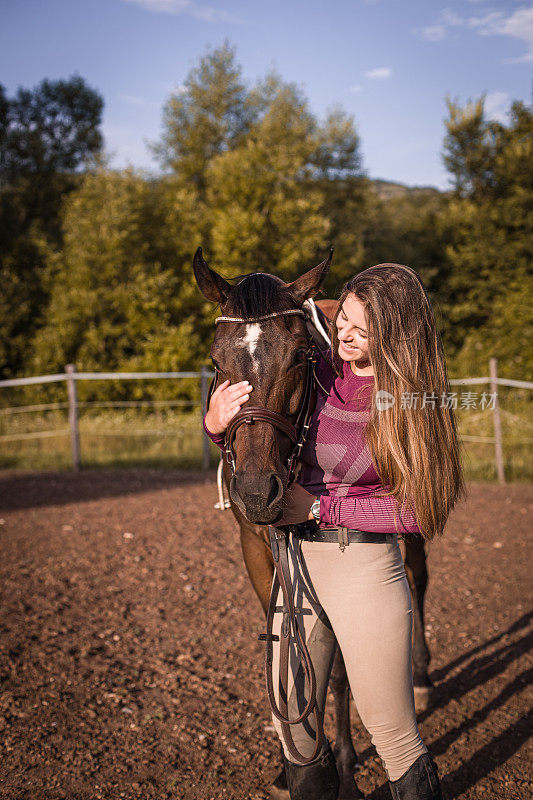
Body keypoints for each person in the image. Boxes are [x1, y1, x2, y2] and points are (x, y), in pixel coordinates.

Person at [204, 263, 466, 800]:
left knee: (392, 735)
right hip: (297, 572)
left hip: (364, 571)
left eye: (358, 328)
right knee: (294, 732)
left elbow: (420, 509)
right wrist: (214, 425)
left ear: (394, 331)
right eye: (339, 319)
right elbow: (264, 421)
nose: (341, 333)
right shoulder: (315, 373)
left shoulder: (411, 399)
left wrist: (321, 510)